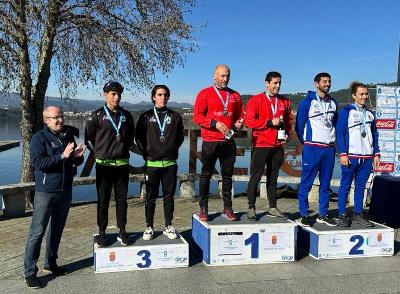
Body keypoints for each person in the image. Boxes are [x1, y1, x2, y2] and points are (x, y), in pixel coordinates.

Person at [24, 106, 85, 288]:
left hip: (65, 190)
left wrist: (76, 157)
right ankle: (29, 272)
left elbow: (72, 161)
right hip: (45, 192)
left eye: (61, 117)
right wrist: (62, 156)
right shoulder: (38, 138)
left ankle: (51, 264)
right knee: (37, 232)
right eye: (55, 118)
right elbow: (38, 163)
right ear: (46, 120)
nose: (60, 120)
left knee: (57, 230)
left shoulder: (67, 136)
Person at [85, 81, 135, 247]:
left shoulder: (126, 116)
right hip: (104, 166)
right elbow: (89, 140)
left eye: (119, 94)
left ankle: (122, 231)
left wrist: (121, 149)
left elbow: (129, 138)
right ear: (105, 94)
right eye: (113, 94)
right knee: (103, 201)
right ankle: (102, 233)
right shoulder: (96, 115)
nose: (116, 97)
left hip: (121, 165)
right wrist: (101, 152)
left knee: (122, 201)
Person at [193, 64, 244, 221]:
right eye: (222, 76)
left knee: (227, 176)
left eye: (227, 76)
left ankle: (227, 208)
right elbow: (197, 116)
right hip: (210, 141)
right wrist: (214, 123)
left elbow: (241, 115)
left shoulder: (235, 95)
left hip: (228, 141)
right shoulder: (205, 93)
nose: (225, 79)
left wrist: (239, 123)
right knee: (206, 175)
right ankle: (203, 209)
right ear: (214, 76)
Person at [135, 85, 184, 240]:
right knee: (150, 197)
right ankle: (149, 227)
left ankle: (168, 225)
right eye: (160, 95)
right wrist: (147, 153)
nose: (163, 97)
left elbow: (180, 137)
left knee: (168, 197)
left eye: (165, 95)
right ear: (153, 97)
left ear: (168, 97)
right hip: (152, 164)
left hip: (170, 164)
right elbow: (139, 137)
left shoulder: (175, 116)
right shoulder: (145, 116)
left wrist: (171, 150)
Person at [245, 71, 292, 220]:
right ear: (267, 83)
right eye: (275, 83)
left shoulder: (285, 101)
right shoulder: (256, 100)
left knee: (273, 178)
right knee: (255, 177)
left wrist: (286, 134)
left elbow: (288, 122)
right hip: (261, 145)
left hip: (277, 146)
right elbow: (249, 122)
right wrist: (269, 122)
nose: (277, 86)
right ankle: (251, 207)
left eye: (279, 83)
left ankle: (272, 207)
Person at [295, 72, 338, 227]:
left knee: (325, 185)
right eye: (324, 81)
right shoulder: (307, 102)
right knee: (306, 183)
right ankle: (304, 214)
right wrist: (307, 142)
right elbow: (299, 126)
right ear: (316, 83)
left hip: (329, 149)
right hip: (312, 148)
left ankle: (323, 214)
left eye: (329, 81)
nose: (327, 84)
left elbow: (335, 124)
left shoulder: (333, 103)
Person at [336, 82, 380, 227]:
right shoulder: (346, 111)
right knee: (345, 185)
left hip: (367, 157)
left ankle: (358, 214)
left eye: (366, 94)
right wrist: (343, 153)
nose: (364, 97)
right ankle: (342, 214)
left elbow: (374, 134)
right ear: (354, 95)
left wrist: (376, 154)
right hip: (351, 156)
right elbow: (340, 133)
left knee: (361, 187)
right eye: (361, 94)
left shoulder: (370, 114)